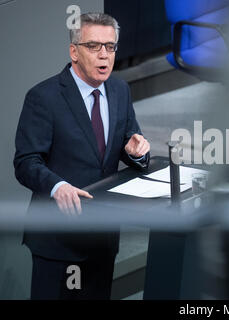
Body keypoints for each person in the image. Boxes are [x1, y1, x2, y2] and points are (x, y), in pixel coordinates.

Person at [14, 13, 150, 299]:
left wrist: (137, 150)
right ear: (74, 52)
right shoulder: (44, 97)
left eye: (110, 47)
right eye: (94, 46)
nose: (104, 55)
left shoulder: (119, 90)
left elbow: (129, 142)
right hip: (58, 243)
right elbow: (26, 162)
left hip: (102, 238)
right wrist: (57, 186)